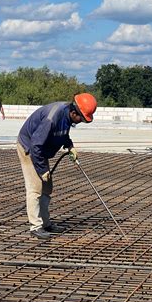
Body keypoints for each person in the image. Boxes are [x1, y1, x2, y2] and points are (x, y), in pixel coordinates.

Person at [17, 93, 97, 239]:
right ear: (74, 113)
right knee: (35, 188)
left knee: (47, 188)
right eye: (81, 119)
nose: (80, 122)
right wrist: (42, 170)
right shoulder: (51, 118)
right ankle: (35, 227)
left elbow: (62, 134)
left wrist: (69, 145)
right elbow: (36, 145)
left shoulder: (67, 115)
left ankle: (46, 224)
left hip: (41, 150)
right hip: (29, 148)